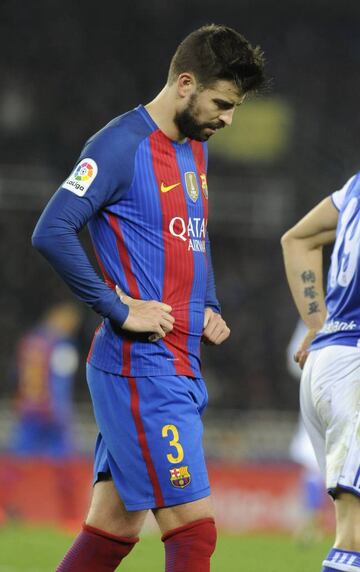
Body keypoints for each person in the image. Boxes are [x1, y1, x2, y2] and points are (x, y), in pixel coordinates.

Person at [32, 24, 265, 572]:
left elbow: (194, 236)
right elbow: (51, 230)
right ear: (186, 84)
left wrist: (209, 303)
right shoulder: (118, 145)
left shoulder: (193, 149)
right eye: (222, 103)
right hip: (142, 369)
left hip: (179, 362)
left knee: (110, 529)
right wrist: (119, 307)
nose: (227, 119)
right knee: (194, 533)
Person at [281, 172, 360, 572]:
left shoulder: (355, 187)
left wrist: (317, 323)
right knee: (355, 537)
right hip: (355, 371)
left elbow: (296, 239)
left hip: (328, 360)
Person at [11, 301, 81, 458]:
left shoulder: (29, 341)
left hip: (28, 408)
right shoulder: (62, 345)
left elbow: (17, 375)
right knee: (60, 465)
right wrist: (64, 416)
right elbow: (60, 382)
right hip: (51, 412)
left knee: (22, 463)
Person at [287, 320, 326, 545]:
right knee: (312, 465)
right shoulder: (312, 318)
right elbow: (294, 359)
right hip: (316, 396)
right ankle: (312, 522)